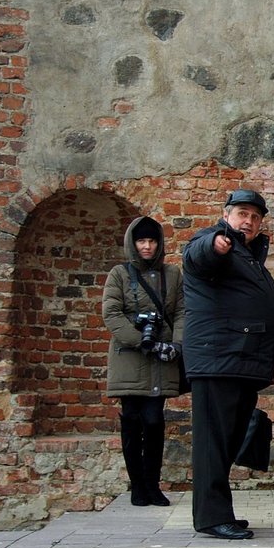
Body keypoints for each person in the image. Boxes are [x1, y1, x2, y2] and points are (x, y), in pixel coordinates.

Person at [183, 189, 274, 540]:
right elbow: (197, 256)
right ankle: (211, 518)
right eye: (242, 213)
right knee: (213, 442)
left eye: (255, 217)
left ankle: (219, 511)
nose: (249, 221)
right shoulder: (213, 240)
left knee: (227, 440)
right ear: (226, 215)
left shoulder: (248, 254)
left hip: (239, 360)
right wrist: (217, 245)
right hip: (217, 359)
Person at [102, 217, 185, 507]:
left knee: (154, 420)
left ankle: (153, 485)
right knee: (131, 420)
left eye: (151, 241)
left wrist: (176, 344)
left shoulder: (172, 274)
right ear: (133, 243)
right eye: (141, 241)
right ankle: (137, 486)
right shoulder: (119, 274)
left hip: (161, 358)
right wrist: (141, 340)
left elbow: (181, 312)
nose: (147, 246)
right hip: (130, 356)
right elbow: (112, 314)